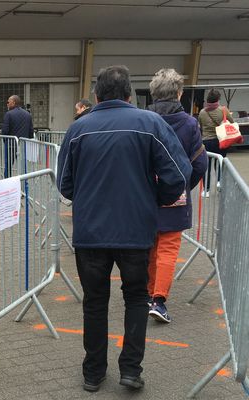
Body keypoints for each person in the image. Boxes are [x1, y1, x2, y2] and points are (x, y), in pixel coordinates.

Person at [57, 65, 191, 393]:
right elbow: (178, 174)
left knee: (94, 301)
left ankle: (93, 373)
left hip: (90, 233)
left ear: (96, 96)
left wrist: (88, 198)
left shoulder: (78, 129)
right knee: (135, 297)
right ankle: (131, 370)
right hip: (136, 230)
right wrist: (154, 200)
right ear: (130, 94)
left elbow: (64, 183)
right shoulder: (150, 124)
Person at [146, 69, 208, 324]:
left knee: (149, 246)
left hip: (147, 194)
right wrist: (184, 185)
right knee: (169, 248)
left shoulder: (144, 119)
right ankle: (159, 301)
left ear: (153, 93)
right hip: (176, 195)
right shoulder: (190, 124)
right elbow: (200, 163)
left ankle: (148, 293)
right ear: (179, 93)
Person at [198, 89, 234, 194]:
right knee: (220, 162)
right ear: (218, 99)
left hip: (206, 142)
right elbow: (232, 122)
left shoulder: (202, 112)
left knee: (207, 166)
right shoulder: (223, 110)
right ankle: (219, 181)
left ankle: (206, 190)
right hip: (221, 140)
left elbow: (201, 127)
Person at [1, 95, 33, 177]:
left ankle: (7, 184)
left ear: (14, 102)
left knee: (8, 166)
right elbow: (31, 132)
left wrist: (5, 141)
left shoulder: (8, 114)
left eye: (8, 102)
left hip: (10, 144)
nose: (7, 104)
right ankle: (24, 186)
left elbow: (4, 131)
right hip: (23, 144)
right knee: (23, 167)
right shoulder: (27, 114)